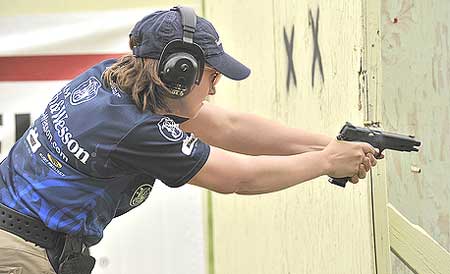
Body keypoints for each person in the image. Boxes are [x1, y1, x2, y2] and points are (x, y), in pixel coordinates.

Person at [0, 6, 379, 274]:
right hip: (21, 254)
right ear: (180, 71)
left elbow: (228, 126)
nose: (214, 89)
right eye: (212, 76)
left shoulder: (112, 77)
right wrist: (327, 163)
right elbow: (237, 178)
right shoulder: (136, 129)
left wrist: (329, 146)